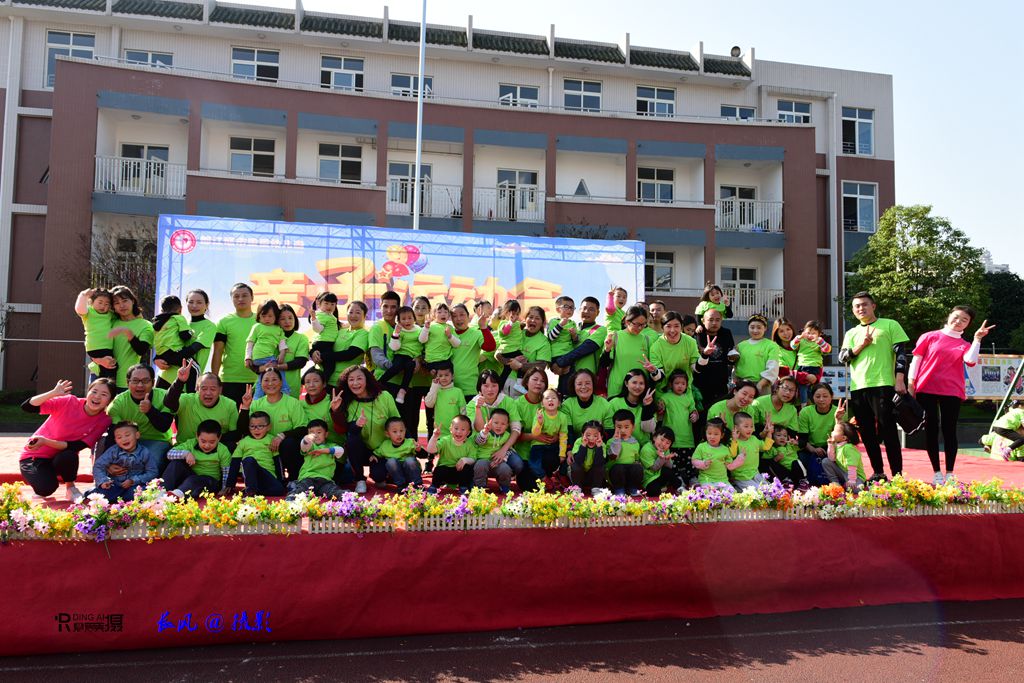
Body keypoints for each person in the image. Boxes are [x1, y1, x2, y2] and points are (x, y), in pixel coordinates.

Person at [909, 306, 993, 484]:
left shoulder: (965, 344)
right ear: (949, 316)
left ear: (968, 324)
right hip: (926, 388)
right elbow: (916, 360)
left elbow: (970, 360)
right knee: (931, 430)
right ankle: (936, 473)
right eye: (956, 317)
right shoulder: (930, 336)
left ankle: (949, 473)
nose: (959, 321)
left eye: (964, 320)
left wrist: (977, 339)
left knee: (949, 430)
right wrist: (911, 384)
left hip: (952, 390)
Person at [838, 291, 910, 482]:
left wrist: (900, 379)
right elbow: (842, 358)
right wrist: (861, 345)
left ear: (873, 306)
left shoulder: (890, 324)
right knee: (867, 432)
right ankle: (878, 472)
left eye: (864, 304)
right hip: (858, 387)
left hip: (883, 384)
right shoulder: (851, 333)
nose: (860, 308)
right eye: (856, 306)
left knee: (888, 430)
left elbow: (901, 354)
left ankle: (897, 475)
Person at [19, 378, 114, 501]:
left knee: (70, 454)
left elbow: (77, 445)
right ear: (88, 392)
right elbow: (27, 406)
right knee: (46, 489)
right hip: (34, 456)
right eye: (94, 391)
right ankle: (45, 477)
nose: (97, 397)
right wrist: (53, 393)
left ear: (110, 400)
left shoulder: (105, 419)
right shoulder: (69, 402)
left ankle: (71, 488)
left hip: (61, 457)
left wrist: (45, 441)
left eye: (104, 394)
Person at [336, 366, 401, 493]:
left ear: (367, 380)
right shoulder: (348, 401)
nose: (355, 383)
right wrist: (355, 424)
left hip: (383, 449)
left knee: (379, 476)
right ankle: (360, 479)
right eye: (351, 380)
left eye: (359, 378)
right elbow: (348, 430)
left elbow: (397, 424)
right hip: (362, 451)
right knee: (352, 440)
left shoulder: (385, 396)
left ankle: (384, 473)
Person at [105, 363, 174, 469]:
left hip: (158, 441)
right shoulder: (118, 403)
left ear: (153, 383)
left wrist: (150, 411)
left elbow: (163, 427)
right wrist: (109, 463)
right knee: (104, 447)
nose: (140, 385)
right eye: (135, 381)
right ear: (127, 383)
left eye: (145, 381)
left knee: (149, 461)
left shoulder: (165, 397)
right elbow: (112, 435)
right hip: (128, 442)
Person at [245, 368, 306, 483]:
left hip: (284, 445)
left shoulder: (293, 403)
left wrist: (282, 435)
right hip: (264, 445)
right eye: (266, 380)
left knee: (290, 443)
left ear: (281, 382)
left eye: (274, 379)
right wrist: (245, 407)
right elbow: (248, 429)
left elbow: (302, 428)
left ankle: (294, 480)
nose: (270, 383)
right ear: (261, 383)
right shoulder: (256, 404)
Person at [163, 364, 241, 450]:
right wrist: (179, 381)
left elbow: (235, 435)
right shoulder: (187, 399)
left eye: (213, 389)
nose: (208, 393)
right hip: (187, 449)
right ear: (197, 388)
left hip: (216, 451)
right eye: (204, 388)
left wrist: (210, 441)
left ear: (220, 390)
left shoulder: (230, 405)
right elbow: (169, 403)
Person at [87, 421, 157, 503]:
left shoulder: (144, 452)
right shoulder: (113, 451)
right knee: (102, 493)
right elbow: (98, 466)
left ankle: (121, 498)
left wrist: (133, 480)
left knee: (140, 494)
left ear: (137, 435)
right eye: (119, 437)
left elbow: (152, 472)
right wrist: (103, 481)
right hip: (114, 484)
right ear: (115, 440)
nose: (124, 439)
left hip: (134, 486)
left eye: (127, 435)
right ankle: (94, 493)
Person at [212, 283, 257, 405]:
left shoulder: (261, 320)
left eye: (244, 295)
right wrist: (214, 379)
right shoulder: (223, 322)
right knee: (229, 416)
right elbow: (217, 352)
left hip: (257, 378)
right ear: (231, 299)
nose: (240, 299)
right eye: (236, 296)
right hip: (229, 379)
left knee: (256, 416)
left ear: (252, 298)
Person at [163, 419, 233, 499]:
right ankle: (162, 491)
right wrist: (186, 454)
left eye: (212, 442)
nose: (207, 446)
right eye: (203, 441)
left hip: (210, 481)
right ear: (197, 436)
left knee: (193, 481)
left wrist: (224, 488)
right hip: (190, 477)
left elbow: (226, 472)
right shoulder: (191, 444)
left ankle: (177, 496)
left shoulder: (223, 450)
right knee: (176, 463)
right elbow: (169, 454)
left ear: (219, 438)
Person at [655, 370, 699, 488]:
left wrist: (694, 415)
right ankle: (678, 481)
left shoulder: (688, 398)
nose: (680, 386)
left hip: (687, 438)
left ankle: (692, 479)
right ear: (671, 384)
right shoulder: (666, 397)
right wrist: (660, 407)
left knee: (689, 462)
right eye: (677, 383)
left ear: (687, 385)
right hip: (671, 440)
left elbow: (693, 410)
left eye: (683, 383)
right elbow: (660, 411)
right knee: (674, 463)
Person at [106, 286, 154, 393]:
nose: (121, 305)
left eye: (124, 301)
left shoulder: (146, 325)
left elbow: (141, 350)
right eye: (116, 303)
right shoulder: (110, 322)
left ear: (133, 301)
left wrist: (127, 332)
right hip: (101, 378)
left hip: (126, 382)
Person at [287, 419, 347, 499]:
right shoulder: (311, 446)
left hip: (325, 480)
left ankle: (347, 497)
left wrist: (323, 451)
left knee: (333, 491)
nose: (315, 435)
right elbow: (304, 445)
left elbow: (340, 450)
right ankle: (292, 497)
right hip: (308, 478)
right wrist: (307, 438)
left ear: (326, 434)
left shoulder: (331, 445)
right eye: (312, 433)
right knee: (301, 490)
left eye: (319, 432)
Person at [796, 384, 842, 486]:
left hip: (832, 447)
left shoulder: (838, 412)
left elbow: (842, 438)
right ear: (812, 397)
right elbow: (802, 439)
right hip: (810, 447)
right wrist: (813, 449)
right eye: (817, 396)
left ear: (831, 396)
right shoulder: (806, 412)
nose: (821, 399)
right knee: (800, 460)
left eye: (825, 396)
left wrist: (838, 420)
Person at [603, 305, 652, 398]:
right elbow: (603, 364)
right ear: (627, 321)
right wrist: (607, 350)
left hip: (639, 390)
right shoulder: (615, 336)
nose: (640, 328)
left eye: (643, 325)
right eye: (636, 324)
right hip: (617, 389)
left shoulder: (647, 340)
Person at [233, 410, 285, 497]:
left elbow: (278, 462)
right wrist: (229, 485)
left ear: (269, 427)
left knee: (279, 490)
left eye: (260, 426)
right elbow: (235, 462)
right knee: (249, 460)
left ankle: (255, 491)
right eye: (252, 426)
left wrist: (281, 481)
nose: (256, 429)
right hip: (251, 475)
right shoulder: (243, 442)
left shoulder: (272, 440)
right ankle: (251, 491)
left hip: (268, 475)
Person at [245, 299, 290, 399]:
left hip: (267, 358)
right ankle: (284, 390)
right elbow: (250, 343)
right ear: (259, 316)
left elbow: (282, 344)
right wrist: (247, 357)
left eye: (270, 316)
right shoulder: (257, 327)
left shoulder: (278, 329)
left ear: (276, 316)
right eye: (263, 316)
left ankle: (257, 398)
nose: (267, 319)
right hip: (262, 357)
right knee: (278, 369)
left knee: (263, 378)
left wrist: (282, 354)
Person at [449, 303, 494, 402]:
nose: (458, 319)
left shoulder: (476, 333)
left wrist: (483, 327)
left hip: (470, 388)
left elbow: (490, 347)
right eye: (454, 316)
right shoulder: (448, 334)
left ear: (468, 316)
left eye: (462, 315)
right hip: (448, 388)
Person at [693, 308, 738, 406]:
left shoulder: (726, 333)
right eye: (710, 320)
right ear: (703, 321)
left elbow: (730, 356)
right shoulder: (697, 334)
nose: (714, 323)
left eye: (717, 320)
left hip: (721, 381)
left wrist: (733, 358)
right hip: (701, 382)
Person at [319, 300, 369, 388]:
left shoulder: (363, 334)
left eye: (358, 313)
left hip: (345, 382)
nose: (353, 316)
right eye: (351, 312)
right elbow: (324, 343)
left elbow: (349, 354)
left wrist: (322, 356)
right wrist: (314, 352)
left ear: (365, 316)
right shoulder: (340, 331)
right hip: (324, 379)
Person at [647, 311, 700, 391]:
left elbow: (696, 368)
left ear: (681, 327)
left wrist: (705, 356)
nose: (672, 330)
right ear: (662, 328)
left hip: (685, 392)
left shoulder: (690, 342)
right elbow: (659, 378)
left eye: (676, 326)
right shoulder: (655, 347)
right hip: (664, 393)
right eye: (668, 326)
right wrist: (654, 372)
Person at [381, 305, 422, 404]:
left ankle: (402, 391)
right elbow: (394, 347)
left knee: (410, 367)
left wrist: (426, 329)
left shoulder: (419, 330)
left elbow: (423, 340)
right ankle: (379, 383)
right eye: (403, 319)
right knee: (396, 366)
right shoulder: (399, 330)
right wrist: (396, 334)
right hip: (400, 354)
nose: (407, 321)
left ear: (414, 318)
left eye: (410, 318)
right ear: (398, 321)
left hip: (412, 357)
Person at [604, 370, 657, 446]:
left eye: (641, 383)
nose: (637, 386)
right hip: (619, 448)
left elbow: (648, 429)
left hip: (642, 448)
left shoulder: (649, 404)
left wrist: (647, 407)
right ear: (626, 383)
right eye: (634, 382)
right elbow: (609, 429)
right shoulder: (614, 403)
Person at [529, 388, 569, 489]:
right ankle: (544, 478)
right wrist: (539, 423)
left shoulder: (563, 417)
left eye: (554, 398)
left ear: (559, 403)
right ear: (542, 403)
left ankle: (560, 474)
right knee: (533, 464)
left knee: (565, 459)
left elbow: (563, 435)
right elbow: (535, 433)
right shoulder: (540, 414)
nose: (550, 400)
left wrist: (562, 453)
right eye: (547, 398)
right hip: (538, 445)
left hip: (553, 445)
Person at [426, 415, 476, 494]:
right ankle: (434, 486)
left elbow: (473, 458)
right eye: (456, 428)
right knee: (438, 470)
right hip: (446, 472)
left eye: (463, 429)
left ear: (468, 432)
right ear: (450, 429)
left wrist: (465, 460)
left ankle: (463, 486)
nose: (458, 432)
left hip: (460, 472)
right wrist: (434, 437)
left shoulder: (470, 443)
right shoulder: (445, 440)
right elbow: (430, 450)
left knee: (468, 468)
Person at [74, 287, 116, 380]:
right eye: (100, 302)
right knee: (108, 370)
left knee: (110, 367)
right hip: (94, 346)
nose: (103, 306)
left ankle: (96, 370)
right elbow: (80, 309)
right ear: (92, 302)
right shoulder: (89, 312)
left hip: (107, 347)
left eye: (106, 304)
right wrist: (83, 295)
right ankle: (96, 372)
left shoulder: (109, 314)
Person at [151, 295, 195, 384]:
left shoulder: (157, 321)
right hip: (174, 351)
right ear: (180, 309)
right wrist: (191, 332)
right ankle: (192, 391)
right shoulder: (178, 317)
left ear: (162, 310)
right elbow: (185, 336)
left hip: (161, 355)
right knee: (194, 368)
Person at [560, 369, 610, 444]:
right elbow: (568, 432)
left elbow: (609, 432)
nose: (583, 387)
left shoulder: (604, 404)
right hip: (576, 446)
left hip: (599, 446)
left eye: (587, 383)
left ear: (593, 384)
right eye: (579, 384)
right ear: (574, 386)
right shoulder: (567, 405)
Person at [371, 417, 423, 490]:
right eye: (395, 432)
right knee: (391, 462)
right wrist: (373, 456)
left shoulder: (410, 442)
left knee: (410, 461)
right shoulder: (385, 445)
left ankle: (418, 485)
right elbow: (377, 453)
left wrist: (419, 449)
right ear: (387, 434)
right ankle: (401, 486)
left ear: (405, 431)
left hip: (410, 471)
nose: (399, 434)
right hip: (397, 475)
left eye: (401, 431)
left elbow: (424, 455)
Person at [734, 314, 780, 395]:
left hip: (762, 386)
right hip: (742, 385)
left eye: (759, 327)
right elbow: (735, 366)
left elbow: (773, 368)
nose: (755, 331)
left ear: (765, 328)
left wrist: (760, 385)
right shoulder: (740, 345)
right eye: (752, 327)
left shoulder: (771, 346)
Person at [473, 408, 515, 493]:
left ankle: (504, 486)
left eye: (503, 424)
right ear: (490, 422)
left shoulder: (507, 435)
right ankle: (480, 486)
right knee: (480, 465)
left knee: (505, 469)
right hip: (483, 459)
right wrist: (485, 432)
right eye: (496, 423)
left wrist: (502, 459)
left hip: (498, 462)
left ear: (507, 425)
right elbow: (478, 441)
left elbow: (509, 450)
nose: (499, 426)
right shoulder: (486, 433)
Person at [791, 320, 833, 405]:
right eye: (808, 333)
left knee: (813, 387)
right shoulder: (801, 340)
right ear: (804, 332)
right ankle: (804, 404)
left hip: (814, 367)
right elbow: (793, 346)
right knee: (802, 386)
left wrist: (820, 342)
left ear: (819, 334)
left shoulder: (819, 342)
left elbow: (827, 350)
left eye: (813, 333)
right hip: (802, 366)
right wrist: (799, 337)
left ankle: (812, 403)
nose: (810, 335)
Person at [728, 412, 773, 490]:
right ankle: (737, 487)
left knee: (769, 489)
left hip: (755, 474)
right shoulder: (734, 441)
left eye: (751, 426)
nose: (749, 429)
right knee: (756, 491)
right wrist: (734, 440)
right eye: (746, 426)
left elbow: (766, 447)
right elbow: (732, 454)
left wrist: (769, 432)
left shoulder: (754, 439)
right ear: (736, 427)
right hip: (741, 476)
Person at [423, 362, 466, 441]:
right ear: (437, 377)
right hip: (439, 434)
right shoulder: (436, 391)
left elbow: (463, 412)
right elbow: (429, 404)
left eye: (446, 375)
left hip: (455, 434)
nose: (443, 378)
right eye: (440, 375)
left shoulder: (458, 391)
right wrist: (434, 386)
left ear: (452, 376)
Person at [691, 418, 737, 491]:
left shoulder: (725, 449)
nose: (712, 437)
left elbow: (729, 464)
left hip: (723, 480)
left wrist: (739, 460)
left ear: (722, 435)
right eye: (709, 433)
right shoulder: (701, 447)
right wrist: (703, 463)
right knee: (709, 494)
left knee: (732, 493)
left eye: (716, 434)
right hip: (706, 479)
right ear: (705, 433)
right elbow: (694, 460)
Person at [605, 409, 643, 496]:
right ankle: (619, 489)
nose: (622, 430)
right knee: (618, 468)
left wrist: (637, 464)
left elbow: (636, 459)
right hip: (615, 472)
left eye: (626, 427)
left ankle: (632, 488)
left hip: (629, 471)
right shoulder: (611, 441)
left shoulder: (635, 443)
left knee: (637, 468)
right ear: (614, 427)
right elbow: (613, 456)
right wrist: (616, 441)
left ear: (633, 427)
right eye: (619, 427)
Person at [494, 300, 526, 394]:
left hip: (512, 349)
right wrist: (511, 322)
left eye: (517, 314)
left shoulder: (516, 323)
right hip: (508, 350)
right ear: (506, 313)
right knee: (524, 361)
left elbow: (518, 328)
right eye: (513, 314)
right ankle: (519, 384)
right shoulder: (504, 323)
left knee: (507, 370)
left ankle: (499, 387)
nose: (515, 316)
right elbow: (505, 332)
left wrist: (523, 324)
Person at [762, 424, 808, 489]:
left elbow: (803, 445)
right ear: (772, 437)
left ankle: (803, 481)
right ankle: (787, 482)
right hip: (786, 473)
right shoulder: (773, 449)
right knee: (772, 463)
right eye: (778, 435)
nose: (782, 438)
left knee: (796, 462)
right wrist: (776, 459)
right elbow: (765, 459)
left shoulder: (791, 446)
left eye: (785, 436)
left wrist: (796, 443)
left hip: (796, 470)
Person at [824, 421, 866, 491]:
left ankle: (850, 484)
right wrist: (830, 445)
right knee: (826, 461)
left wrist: (852, 480)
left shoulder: (848, 447)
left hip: (855, 476)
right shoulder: (837, 445)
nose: (832, 432)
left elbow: (852, 465)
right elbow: (831, 459)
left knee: (857, 489)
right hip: (843, 472)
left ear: (843, 438)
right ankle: (835, 483)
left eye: (835, 431)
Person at [279, 304, 310, 400]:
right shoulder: (270, 337)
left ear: (295, 319)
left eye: (290, 318)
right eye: (282, 319)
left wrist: (277, 367)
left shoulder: (301, 338)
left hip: (291, 387)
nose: (287, 321)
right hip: (269, 386)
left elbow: (301, 362)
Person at [309, 292, 341, 383]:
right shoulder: (321, 315)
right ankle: (322, 382)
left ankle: (320, 381)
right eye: (326, 303)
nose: (329, 306)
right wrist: (313, 318)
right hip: (323, 344)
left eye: (332, 304)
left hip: (326, 344)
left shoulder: (329, 316)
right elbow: (318, 329)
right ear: (319, 304)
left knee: (326, 366)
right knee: (330, 366)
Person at [568, 420, 607, 494]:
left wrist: (599, 447)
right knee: (575, 465)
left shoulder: (602, 445)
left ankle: (596, 488)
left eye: (595, 436)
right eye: (588, 435)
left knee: (601, 466)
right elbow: (578, 461)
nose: (591, 438)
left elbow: (599, 463)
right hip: (579, 475)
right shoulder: (579, 442)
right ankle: (577, 488)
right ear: (583, 435)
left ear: (601, 436)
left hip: (592, 476)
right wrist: (583, 445)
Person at [420, 302, 461, 372]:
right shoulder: (430, 326)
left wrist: (450, 336)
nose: (443, 314)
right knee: (437, 377)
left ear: (448, 315)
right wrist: (426, 328)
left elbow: (457, 344)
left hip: (445, 360)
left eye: (445, 312)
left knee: (447, 378)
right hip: (431, 361)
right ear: (434, 314)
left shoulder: (450, 328)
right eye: (439, 312)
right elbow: (422, 340)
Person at [640, 426, 680, 496]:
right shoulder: (646, 449)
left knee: (668, 471)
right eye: (662, 440)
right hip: (649, 479)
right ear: (654, 438)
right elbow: (654, 468)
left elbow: (669, 467)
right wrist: (662, 457)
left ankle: (679, 487)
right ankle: (661, 489)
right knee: (653, 491)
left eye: (667, 443)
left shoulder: (666, 450)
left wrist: (667, 458)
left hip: (660, 475)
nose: (663, 444)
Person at [547, 296, 579, 380]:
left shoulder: (573, 323)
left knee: (569, 377)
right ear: (558, 309)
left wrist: (574, 335)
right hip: (557, 355)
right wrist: (560, 325)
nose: (570, 309)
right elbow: (550, 337)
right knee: (565, 375)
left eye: (572, 307)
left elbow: (575, 342)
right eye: (566, 307)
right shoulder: (554, 321)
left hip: (569, 354)